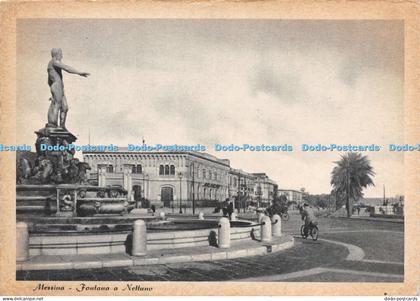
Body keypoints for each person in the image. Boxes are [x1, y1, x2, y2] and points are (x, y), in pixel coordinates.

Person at [47, 48, 90, 129]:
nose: (61, 56)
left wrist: (52, 90)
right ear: (57, 54)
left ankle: (62, 126)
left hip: (59, 87)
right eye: (61, 54)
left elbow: (49, 80)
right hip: (57, 86)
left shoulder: (52, 63)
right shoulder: (54, 62)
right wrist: (79, 72)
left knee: (65, 107)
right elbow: (66, 68)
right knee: (57, 104)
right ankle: (53, 125)